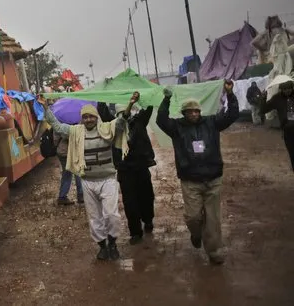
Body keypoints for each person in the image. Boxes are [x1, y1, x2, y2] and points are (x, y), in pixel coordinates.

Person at [39, 93, 135, 261]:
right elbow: (58, 126)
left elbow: (121, 122)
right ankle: (102, 246)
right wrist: (46, 108)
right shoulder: (76, 131)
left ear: (96, 117)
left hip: (108, 180)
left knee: (111, 215)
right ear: (82, 119)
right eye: (85, 117)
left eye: (91, 116)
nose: (89, 119)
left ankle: (113, 243)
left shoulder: (107, 128)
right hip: (88, 181)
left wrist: (129, 105)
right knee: (94, 217)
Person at [156, 81, 238, 265]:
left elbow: (232, 115)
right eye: (190, 111)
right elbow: (161, 120)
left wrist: (230, 94)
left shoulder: (211, 123)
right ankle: (196, 233)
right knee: (193, 217)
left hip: (213, 178)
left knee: (213, 218)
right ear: (184, 113)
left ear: (200, 111)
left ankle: (214, 250)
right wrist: (167, 99)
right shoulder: (177, 127)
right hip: (190, 180)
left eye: (196, 111)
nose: (194, 114)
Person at [98, 96, 156, 245]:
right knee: (130, 202)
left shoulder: (140, 121)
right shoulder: (113, 125)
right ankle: (135, 232)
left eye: (126, 111)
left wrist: (142, 91)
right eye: (121, 112)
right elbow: (102, 110)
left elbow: (148, 107)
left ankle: (148, 219)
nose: (125, 114)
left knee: (147, 197)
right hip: (125, 170)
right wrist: (104, 93)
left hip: (141, 166)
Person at [261, 79, 294, 171]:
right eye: (285, 89)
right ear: (281, 89)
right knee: (292, 153)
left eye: (289, 88)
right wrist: (263, 98)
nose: (287, 90)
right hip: (288, 131)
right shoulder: (277, 98)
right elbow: (263, 110)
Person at [53, 130, 83, 206]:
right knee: (78, 172)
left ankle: (62, 197)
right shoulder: (70, 124)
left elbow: (55, 140)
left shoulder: (57, 122)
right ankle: (81, 195)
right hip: (69, 152)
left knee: (67, 173)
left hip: (61, 151)